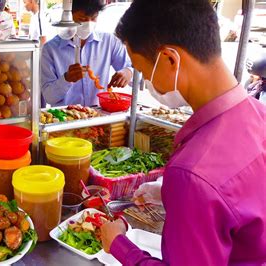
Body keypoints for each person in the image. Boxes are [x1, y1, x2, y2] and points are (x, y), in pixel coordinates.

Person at [100, 0, 266, 264]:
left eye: (143, 70)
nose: (147, 81)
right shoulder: (260, 115)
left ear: (169, 59)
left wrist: (118, 245)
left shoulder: (193, 173)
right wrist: (168, 195)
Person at [40, 0, 132, 107]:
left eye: (93, 18)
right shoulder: (50, 50)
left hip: (98, 115)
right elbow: (49, 97)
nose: (88, 24)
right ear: (69, 16)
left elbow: (138, 72)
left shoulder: (109, 42)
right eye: (82, 19)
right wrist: (66, 79)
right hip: (66, 118)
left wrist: (128, 72)